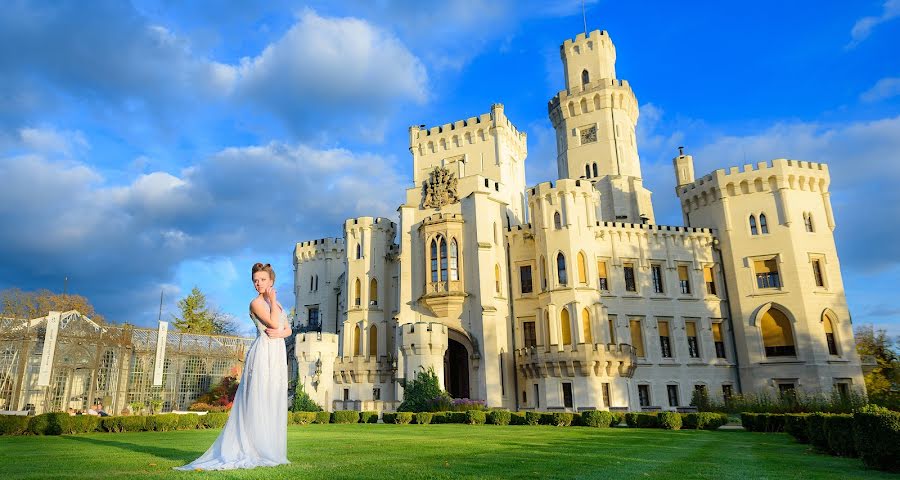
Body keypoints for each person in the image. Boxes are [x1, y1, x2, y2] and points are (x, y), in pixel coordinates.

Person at [174, 262, 291, 471]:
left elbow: (287, 328)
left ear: (271, 281)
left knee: (273, 396)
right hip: (263, 352)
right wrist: (272, 302)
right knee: (258, 398)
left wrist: (282, 332)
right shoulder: (256, 303)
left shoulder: (278, 304)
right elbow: (273, 323)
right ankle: (253, 449)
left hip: (278, 352)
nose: (258, 283)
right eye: (255, 280)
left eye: (263, 279)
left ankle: (270, 448)